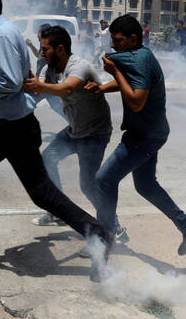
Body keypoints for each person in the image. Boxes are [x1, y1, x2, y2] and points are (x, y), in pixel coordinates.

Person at [0, 0, 110, 272]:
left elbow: (10, 82)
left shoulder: (3, 35)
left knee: (38, 191)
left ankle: (98, 232)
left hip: (13, 128)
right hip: (6, 126)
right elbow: (16, 81)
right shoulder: (2, 34)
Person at [87, 15, 186, 256]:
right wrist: (103, 86)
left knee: (103, 180)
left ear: (133, 39)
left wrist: (113, 72)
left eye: (118, 41)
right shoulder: (141, 56)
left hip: (145, 136)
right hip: (151, 132)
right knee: (145, 185)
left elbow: (137, 101)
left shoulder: (139, 59)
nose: (113, 46)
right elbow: (129, 83)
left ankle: (105, 238)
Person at [22, 26, 128, 248]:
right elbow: (37, 91)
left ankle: (113, 229)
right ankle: (59, 211)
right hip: (74, 131)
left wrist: (39, 85)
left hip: (94, 133)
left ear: (60, 49)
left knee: (88, 185)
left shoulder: (78, 66)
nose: (41, 53)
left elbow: (66, 89)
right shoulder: (49, 68)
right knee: (47, 160)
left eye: (45, 49)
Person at [26, 23, 66, 120]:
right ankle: (75, 123)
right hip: (43, 84)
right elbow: (39, 55)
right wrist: (31, 45)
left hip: (45, 84)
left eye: (39, 33)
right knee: (57, 107)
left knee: (27, 105)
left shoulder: (50, 47)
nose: (37, 35)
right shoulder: (43, 46)